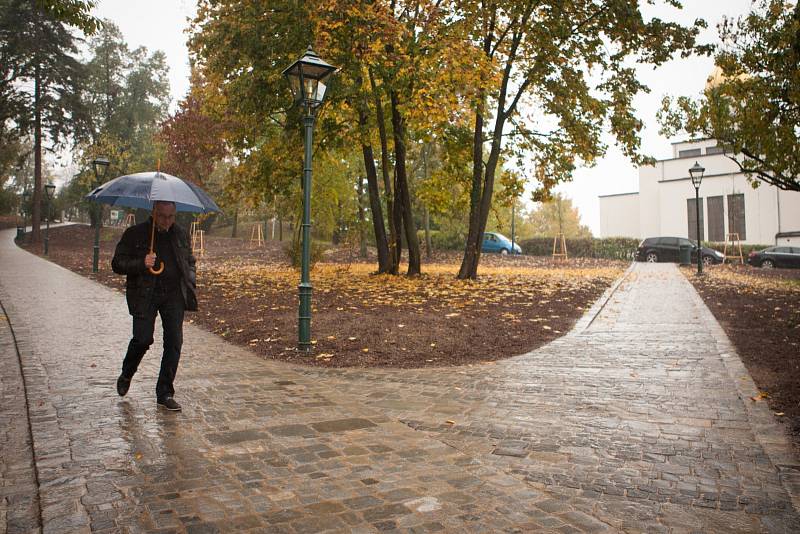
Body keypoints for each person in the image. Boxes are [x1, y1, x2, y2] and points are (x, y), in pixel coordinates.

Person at [111, 201, 197, 411]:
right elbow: (117, 264)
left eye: (171, 216)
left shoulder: (181, 234)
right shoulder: (135, 234)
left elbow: (190, 261)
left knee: (174, 342)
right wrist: (142, 263)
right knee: (142, 339)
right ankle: (127, 372)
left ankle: (165, 392)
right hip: (145, 294)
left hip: (173, 295)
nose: (167, 221)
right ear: (154, 213)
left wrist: (190, 279)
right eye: (162, 216)